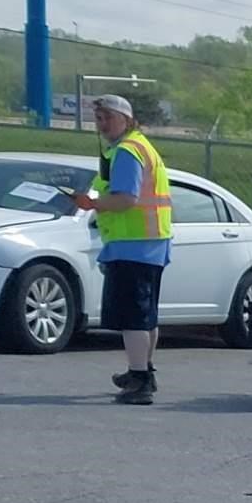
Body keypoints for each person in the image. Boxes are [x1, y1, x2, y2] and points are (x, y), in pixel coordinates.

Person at [71, 94, 175, 405]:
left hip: (133, 244)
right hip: (149, 243)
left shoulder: (128, 152)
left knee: (133, 317)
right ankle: (143, 371)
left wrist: (92, 204)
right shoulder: (139, 146)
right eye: (99, 119)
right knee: (145, 315)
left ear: (126, 120)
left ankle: (139, 378)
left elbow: (126, 198)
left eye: (108, 118)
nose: (102, 125)